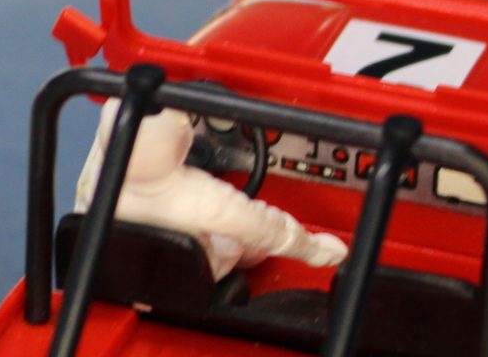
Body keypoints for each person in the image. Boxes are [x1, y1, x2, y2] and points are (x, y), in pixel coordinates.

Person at [76, 105, 346, 279]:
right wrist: (312, 249)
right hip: (184, 279)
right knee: (241, 239)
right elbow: (264, 228)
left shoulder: (95, 177)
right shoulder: (200, 198)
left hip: (112, 269)